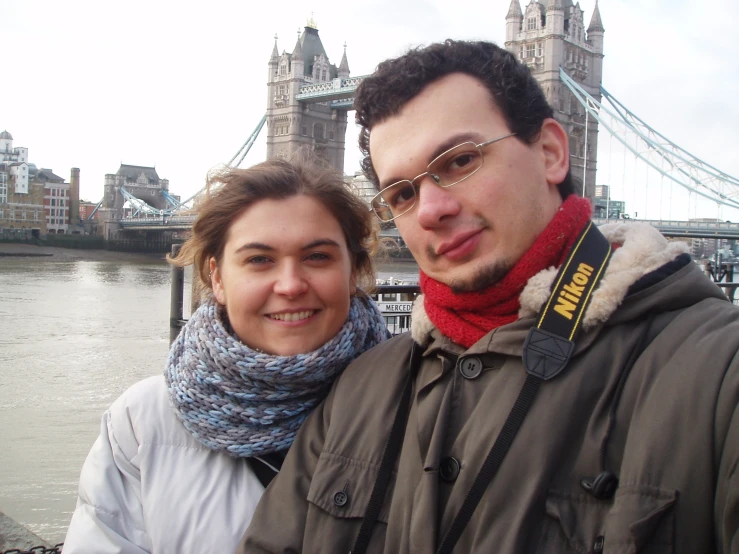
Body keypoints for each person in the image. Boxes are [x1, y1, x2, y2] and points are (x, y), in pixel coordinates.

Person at [239, 40, 739, 553]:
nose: (430, 209)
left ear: (550, 153)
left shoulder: (718, 374)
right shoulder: (360, 388)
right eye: (403, 194)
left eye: (459, 161)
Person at [62, 158, 390, 553]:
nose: (289, 285)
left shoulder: (416, 402)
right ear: (217, 278)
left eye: (317, 256)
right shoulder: (141, 423)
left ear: (353, 271)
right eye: (259, 260)